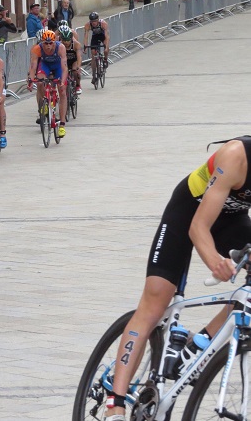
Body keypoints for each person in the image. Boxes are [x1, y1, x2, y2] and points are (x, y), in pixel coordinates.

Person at [103, 136, 251, 421]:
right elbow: (198, 228)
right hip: (188, 213)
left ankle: (202, 342)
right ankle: (115, 404)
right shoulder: (236, 155)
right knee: (156, 300)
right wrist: (216, 263)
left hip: (231, 221)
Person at [28, 29, 68, 138]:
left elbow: (65, 68)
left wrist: (62, 82)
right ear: (42, 42)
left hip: (58, 66)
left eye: (51, 43)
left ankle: (62, 125)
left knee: (63, 91)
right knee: (40, 81)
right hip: (45, 65)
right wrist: (31, 80)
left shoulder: (61, 47)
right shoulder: (37, 49)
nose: (48, 46)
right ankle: (45, 101)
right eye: (46, 43)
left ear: (55, 42)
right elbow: (33, 67)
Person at [84, 12, 110, 78]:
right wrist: (85, 47)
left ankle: (105, 60)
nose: (93, 23)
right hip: (95, 37)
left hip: (103, 36)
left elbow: (107, 36)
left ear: (98, 20)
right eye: (92, 21)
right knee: (93, 54)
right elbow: (86, 36)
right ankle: (94, 74)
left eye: (95, 21)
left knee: (106, 50)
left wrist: (106, 47)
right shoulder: (88, 25)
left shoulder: (103, 24)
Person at [58, 25, 83, 95]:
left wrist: (78, 66)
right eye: (64, 40)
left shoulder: (76, 44)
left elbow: (79, 57)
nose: (66, 42)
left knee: (75, 70)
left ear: (71, 39)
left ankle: (78, 85)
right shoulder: (59, 45)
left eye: (67, 40)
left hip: (73, 61)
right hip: (64, 61)